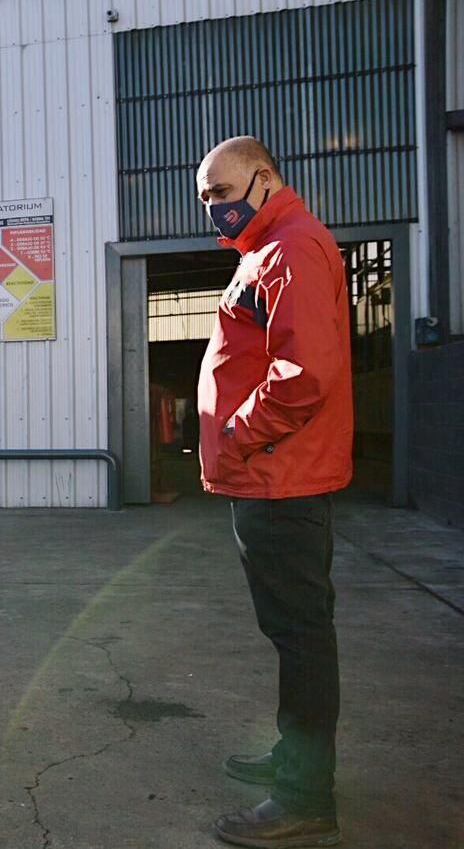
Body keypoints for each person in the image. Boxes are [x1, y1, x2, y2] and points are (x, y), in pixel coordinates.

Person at [195, 136, 352, 848]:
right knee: (291, 632)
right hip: (267, 476)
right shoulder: (265, 252)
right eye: (205, 201)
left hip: (280, 476)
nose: (215, 211)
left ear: (263, 179)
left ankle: (304, 797)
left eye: (222, 194)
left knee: (301, 637)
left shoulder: (291, 249)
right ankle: (295, 759)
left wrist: (235, 432)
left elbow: (304, 375)